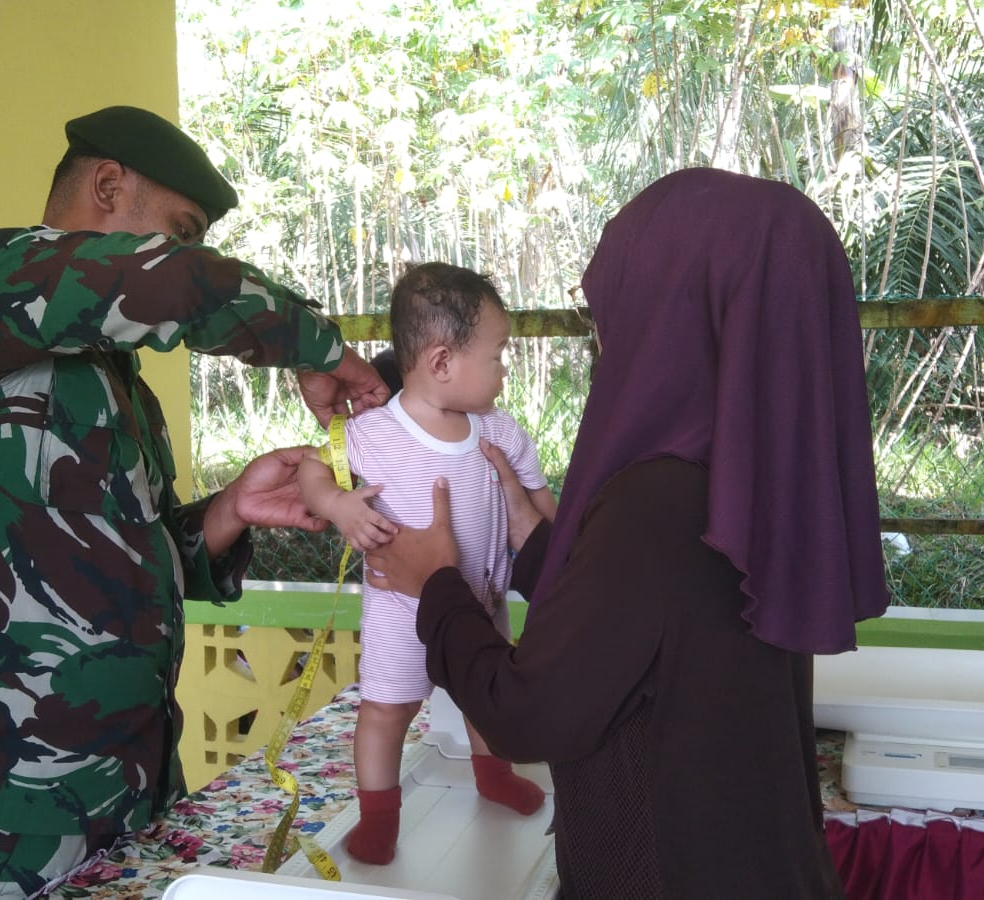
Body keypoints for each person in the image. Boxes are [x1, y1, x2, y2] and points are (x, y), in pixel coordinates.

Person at [0, 105, 388, 899]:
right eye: (181, 233)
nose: (186, 255)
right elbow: (177, 284)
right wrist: (316, 346)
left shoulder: (117, 381)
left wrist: (229, 512)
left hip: (131, 788)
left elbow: (125, 562)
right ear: (109, 186)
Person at [366, 168, 891, 898]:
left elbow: (528, 714)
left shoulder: (657, 499)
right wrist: (534, 541)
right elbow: (663, 625)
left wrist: (437, 587)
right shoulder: (761, 476)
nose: (606, 331)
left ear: (666, 310)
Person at [297, 263, 558, 865]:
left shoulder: (500, 431)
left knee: (486, 695)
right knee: (387, 712)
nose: (505, 369)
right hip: (399, 611)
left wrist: (571, 547)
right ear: (441, 362)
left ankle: (494, 776)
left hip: (481, 603)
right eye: (497, 355)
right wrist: (336, 505)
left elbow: (542, 505)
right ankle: (378, 817)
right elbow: (313, 467)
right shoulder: (371, 433)